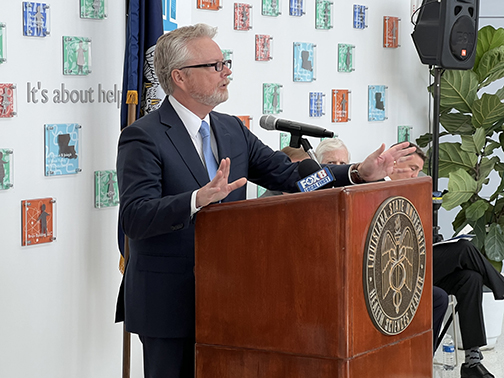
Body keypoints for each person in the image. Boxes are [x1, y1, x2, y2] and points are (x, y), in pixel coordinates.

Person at [115, 23, 416, 378]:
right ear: (179, 77)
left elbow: (292, 178)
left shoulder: (232, 130)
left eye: (225, 62)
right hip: (169, 301)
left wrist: (355, 174)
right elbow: (135, 217)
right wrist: (198, 198)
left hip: (233, 293)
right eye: (214, 65)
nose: (226, 71)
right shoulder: (143, 137)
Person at [388, 142, 504, 378]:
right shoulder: (375, 190)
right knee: (463, 249)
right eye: (411, 167)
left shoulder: (412, 193)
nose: (414, 175)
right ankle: (501, 286)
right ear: (393, 162)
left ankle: (472, 361)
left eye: (418, 170)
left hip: (418, 260)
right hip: (397, 267)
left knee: (469, 278)